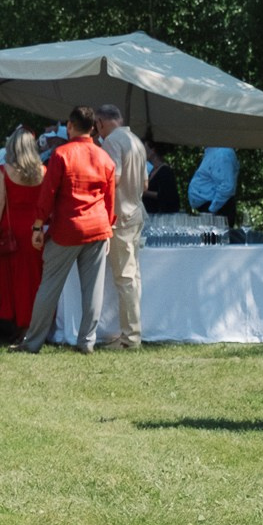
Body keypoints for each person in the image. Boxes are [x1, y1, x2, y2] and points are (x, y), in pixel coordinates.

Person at [13, 106, 118, 355]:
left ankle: (33, 342)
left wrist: (38, 225)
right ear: (93, 128)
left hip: (67, 229)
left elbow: (47, 194)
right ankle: (87, 342)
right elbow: (110, 198)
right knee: (93, 290)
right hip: (98, 227)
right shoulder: (105, 158)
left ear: (70, 126)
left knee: (49, 286)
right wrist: (110, 225)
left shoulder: (61, 154)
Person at [94, 104, 149, 351]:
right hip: (136, 212)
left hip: (121, 216)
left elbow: (112, 178)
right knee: (133, 276)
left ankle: (131, 338)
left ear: (100, 123)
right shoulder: (136, 140)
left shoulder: (111, 142)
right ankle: (131, 332)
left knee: (125, 278)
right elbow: (145, 184)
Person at [0, 126, 46, 335]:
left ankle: (12, 322)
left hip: (11, 229)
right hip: (34, 229)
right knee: (32, 279)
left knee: (11, 279)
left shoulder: (5, 170)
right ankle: (32, 324)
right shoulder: (43, 171)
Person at [186, 146, 240, 220]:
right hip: (212, 208)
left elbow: (227, 186)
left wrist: (211, 210)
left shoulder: (222, 152)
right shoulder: (213, 151)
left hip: (218, 210)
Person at [142, 140, 181, 216]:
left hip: (160, 218)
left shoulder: (165, 171)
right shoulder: (153, 170)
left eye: (145, 148)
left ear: (153, 150)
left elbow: (167, 195)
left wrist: (145, 193)